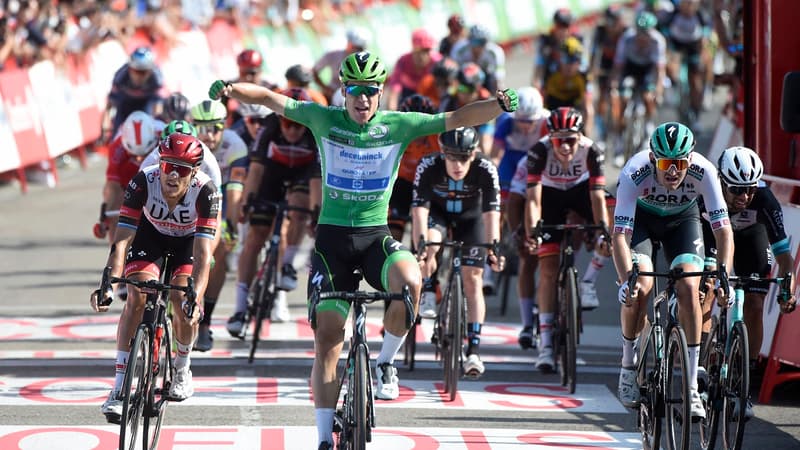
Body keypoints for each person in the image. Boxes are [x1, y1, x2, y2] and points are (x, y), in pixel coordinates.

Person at [208, 50, 518, 450]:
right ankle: (322, 437)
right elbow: (270, 99)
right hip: (332, 244)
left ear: (381, 92)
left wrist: (497, 105)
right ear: (343, 90)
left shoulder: (398, 125)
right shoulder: (323, 118)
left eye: (370, 91)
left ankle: (385, 361)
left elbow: (458, 118)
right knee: (328, 341)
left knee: (410, 279)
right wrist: (232, 89)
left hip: (375, 237)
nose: (362, 99)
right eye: (354, 90)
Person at [91, 133, 220, 423]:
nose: (173, 175)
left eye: (182, 169)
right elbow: (121, 242)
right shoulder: (142, 182)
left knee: (181, 301)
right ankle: (119, 388)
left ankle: (183, 368)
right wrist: (108, 285)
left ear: (195, 172)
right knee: (136, 297)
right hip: (152, 238)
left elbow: (203, 254)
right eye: (168, 166)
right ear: (159, 164)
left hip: (189, 243)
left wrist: (194, 297)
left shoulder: (206, 192)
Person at [612, 122, 734, 420]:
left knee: (690, 287)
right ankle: (628, 366)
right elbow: (619, 236)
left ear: (689, 159)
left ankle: (691, 385)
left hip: (683, 221)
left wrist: (723, 276)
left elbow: (724, 231)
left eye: (680, 164)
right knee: (639, 286)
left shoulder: (704, 172)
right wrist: (624, 279)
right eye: (666, 163)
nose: (673, 172)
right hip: (641, 220)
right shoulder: (634, 172)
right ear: (653, 159)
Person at [700, 146, 797, 418]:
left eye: (750, 190)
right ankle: (699, 365)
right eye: (737, 190)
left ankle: (745, 380)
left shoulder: (764, 199)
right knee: (707, 288)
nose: (744, 197)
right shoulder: (710, 193)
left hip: (750, 238)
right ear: (722, 181)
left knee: (755, 302)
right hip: (714, 236)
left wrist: (787, 288)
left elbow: (784, 255)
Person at [411, 126, 504, 377]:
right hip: (438, 216)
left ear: (474, 154)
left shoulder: (486, 168)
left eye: (464, 157)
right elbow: (419, 213)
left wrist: (493, 248)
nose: (458, 164)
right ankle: (429, 287)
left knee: (473, 279)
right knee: (429, 243)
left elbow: (491, 214)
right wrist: (421, 249)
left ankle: (473, 351)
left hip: (470, 219)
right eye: (452, 156)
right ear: (442, 153)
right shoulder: (428, 165)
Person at [226, 87, 320, 335]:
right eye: (287, 124)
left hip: (303, 175)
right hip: (271, 175)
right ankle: (239, 308)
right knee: (256, 237)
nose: (291, 130)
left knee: (301, 209)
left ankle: (287, 263)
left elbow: (316, 182)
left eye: (297, 126)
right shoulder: (269, 126)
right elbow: (255, 170)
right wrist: (247, 202)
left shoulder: (314, 132)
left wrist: (315, 215)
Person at [524, 107, 610, 372]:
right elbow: (533, 199)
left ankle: (587, 283)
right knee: (548, 269)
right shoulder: (538, 152)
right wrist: (532, 233)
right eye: (559, 140)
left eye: (571, 139)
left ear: (580, 136)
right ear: (550, 138)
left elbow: (596, 197)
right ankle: (546, 345)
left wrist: (602, 229)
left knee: (614, 224)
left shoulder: (591, 150)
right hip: (549, 197)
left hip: (580, 192)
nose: (565, 146)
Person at [189, 100, 248, 350]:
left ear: (224, 127)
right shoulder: (187, 144)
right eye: (202, 129)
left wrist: (231, 226)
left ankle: (205, 321)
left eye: (214, 128)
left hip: (221, 198)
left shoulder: (235, 145)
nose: (209, 135)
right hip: (191, 194)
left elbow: (234, 192)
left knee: (220, 250)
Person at [609, 10, 667, 166]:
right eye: (639, 33)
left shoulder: (658, 41)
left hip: (647, 70)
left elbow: (660, 70)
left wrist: (658, 89)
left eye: (645, 33)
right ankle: (619, 144)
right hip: (630, 68)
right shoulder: (626, 38)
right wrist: (615, 83)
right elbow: (618, 66)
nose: (642, 37)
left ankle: (648, 127)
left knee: (649, 97)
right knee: (623, 98)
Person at [95, 111, 162, 244]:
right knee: (115, 204)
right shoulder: (116, 147)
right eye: (134, 156)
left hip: (159, 177)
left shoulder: (164, 136)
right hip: (128, 178)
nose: (139, 160)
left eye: (144, 155)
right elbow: (113, 187)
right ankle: (116, 257)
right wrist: (106, 217)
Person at [388, 94, 440, 243]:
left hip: (428, 185)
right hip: (402, 183)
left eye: (423, 124)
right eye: (411, 124)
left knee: (422, 237)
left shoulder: (439, 138)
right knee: (393, 235)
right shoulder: (394, 134)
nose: (417, 129)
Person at [103, 46, 163, 141]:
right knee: (117, 136)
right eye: (136, 71)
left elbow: (158, 107)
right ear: (130, 68)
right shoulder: (121, 76)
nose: (139, 76)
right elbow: (110, 103)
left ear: (150, 71)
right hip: (125, 103)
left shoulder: (157, 78)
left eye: (143, 72)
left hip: (145, 104)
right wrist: (105, 126)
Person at [543, 37, 594, 138]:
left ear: (579, 62)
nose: (569, 66)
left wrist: (587, 134)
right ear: (560, 59)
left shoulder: (584, 74)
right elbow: (543, 100)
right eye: (566, 59)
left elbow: (588, 106)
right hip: (553, 104)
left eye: (574, 60)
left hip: (574, 104)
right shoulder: (551, 70)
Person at [589, 4, 627, 142]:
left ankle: (621, 131)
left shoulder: (626, 32)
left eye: (616, 20)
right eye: (610, 21)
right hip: (606, 64)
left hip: (623, 66)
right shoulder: (600, 31)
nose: (612, 25)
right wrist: (592, 69)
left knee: (622, 99)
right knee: (602, 99)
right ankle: (601, 132)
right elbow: (594, 51)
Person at [439, 62, 493, 153]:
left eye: (470, 89)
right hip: (455, 130)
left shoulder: (486, 100)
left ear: (478, 88)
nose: (465, 94)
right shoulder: (449, 99)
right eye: (461, 88)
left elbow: (487, 130)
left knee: (484, 144)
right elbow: (440, 128)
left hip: (479, 132)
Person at [386, 28, 442, 110]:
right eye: (420, 51)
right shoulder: (403, 61)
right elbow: (394, 90)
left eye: (427, 50)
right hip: (408, 95)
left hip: (430, 96)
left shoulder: (437, 61)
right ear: (413, 49)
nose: (423, 56)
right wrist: (391, 114)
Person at [312, 27, 370, 104]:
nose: (357, 51)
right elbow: (314, 71)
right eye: (355, 47)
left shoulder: (368, 60)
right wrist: (326, 89)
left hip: (356, 96)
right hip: (332, 95)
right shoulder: (334, 55)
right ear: (349, 43)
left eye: (360, 48)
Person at [532, 8, 582, 90]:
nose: (563, 30)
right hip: (551, 79)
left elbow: (582, 66)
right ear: (555, 25)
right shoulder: (546, 40)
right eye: (559, 26)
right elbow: (539, 67)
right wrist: (536, 86)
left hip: (571, 79)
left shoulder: (576, 38)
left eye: (566, 26)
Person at [450, 24, 506, 92]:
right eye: (474, 42)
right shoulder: (459, 50)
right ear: (468, 40)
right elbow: (453, 75)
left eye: (481, 42)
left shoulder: (495, 52)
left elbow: (498, 80)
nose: (477, 47)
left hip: (486, 77)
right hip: (465, 78)